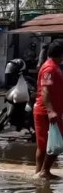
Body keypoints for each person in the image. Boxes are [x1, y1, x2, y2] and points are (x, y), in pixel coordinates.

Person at [34, 39, 63, 179]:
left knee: (44, 143)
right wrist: (51, 111)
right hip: (46, 112)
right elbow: (45, 91)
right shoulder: (50, 68)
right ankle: (44, 171)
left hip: (51, 110)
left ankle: (39, 172)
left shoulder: (54, 66)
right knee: (56, 142)